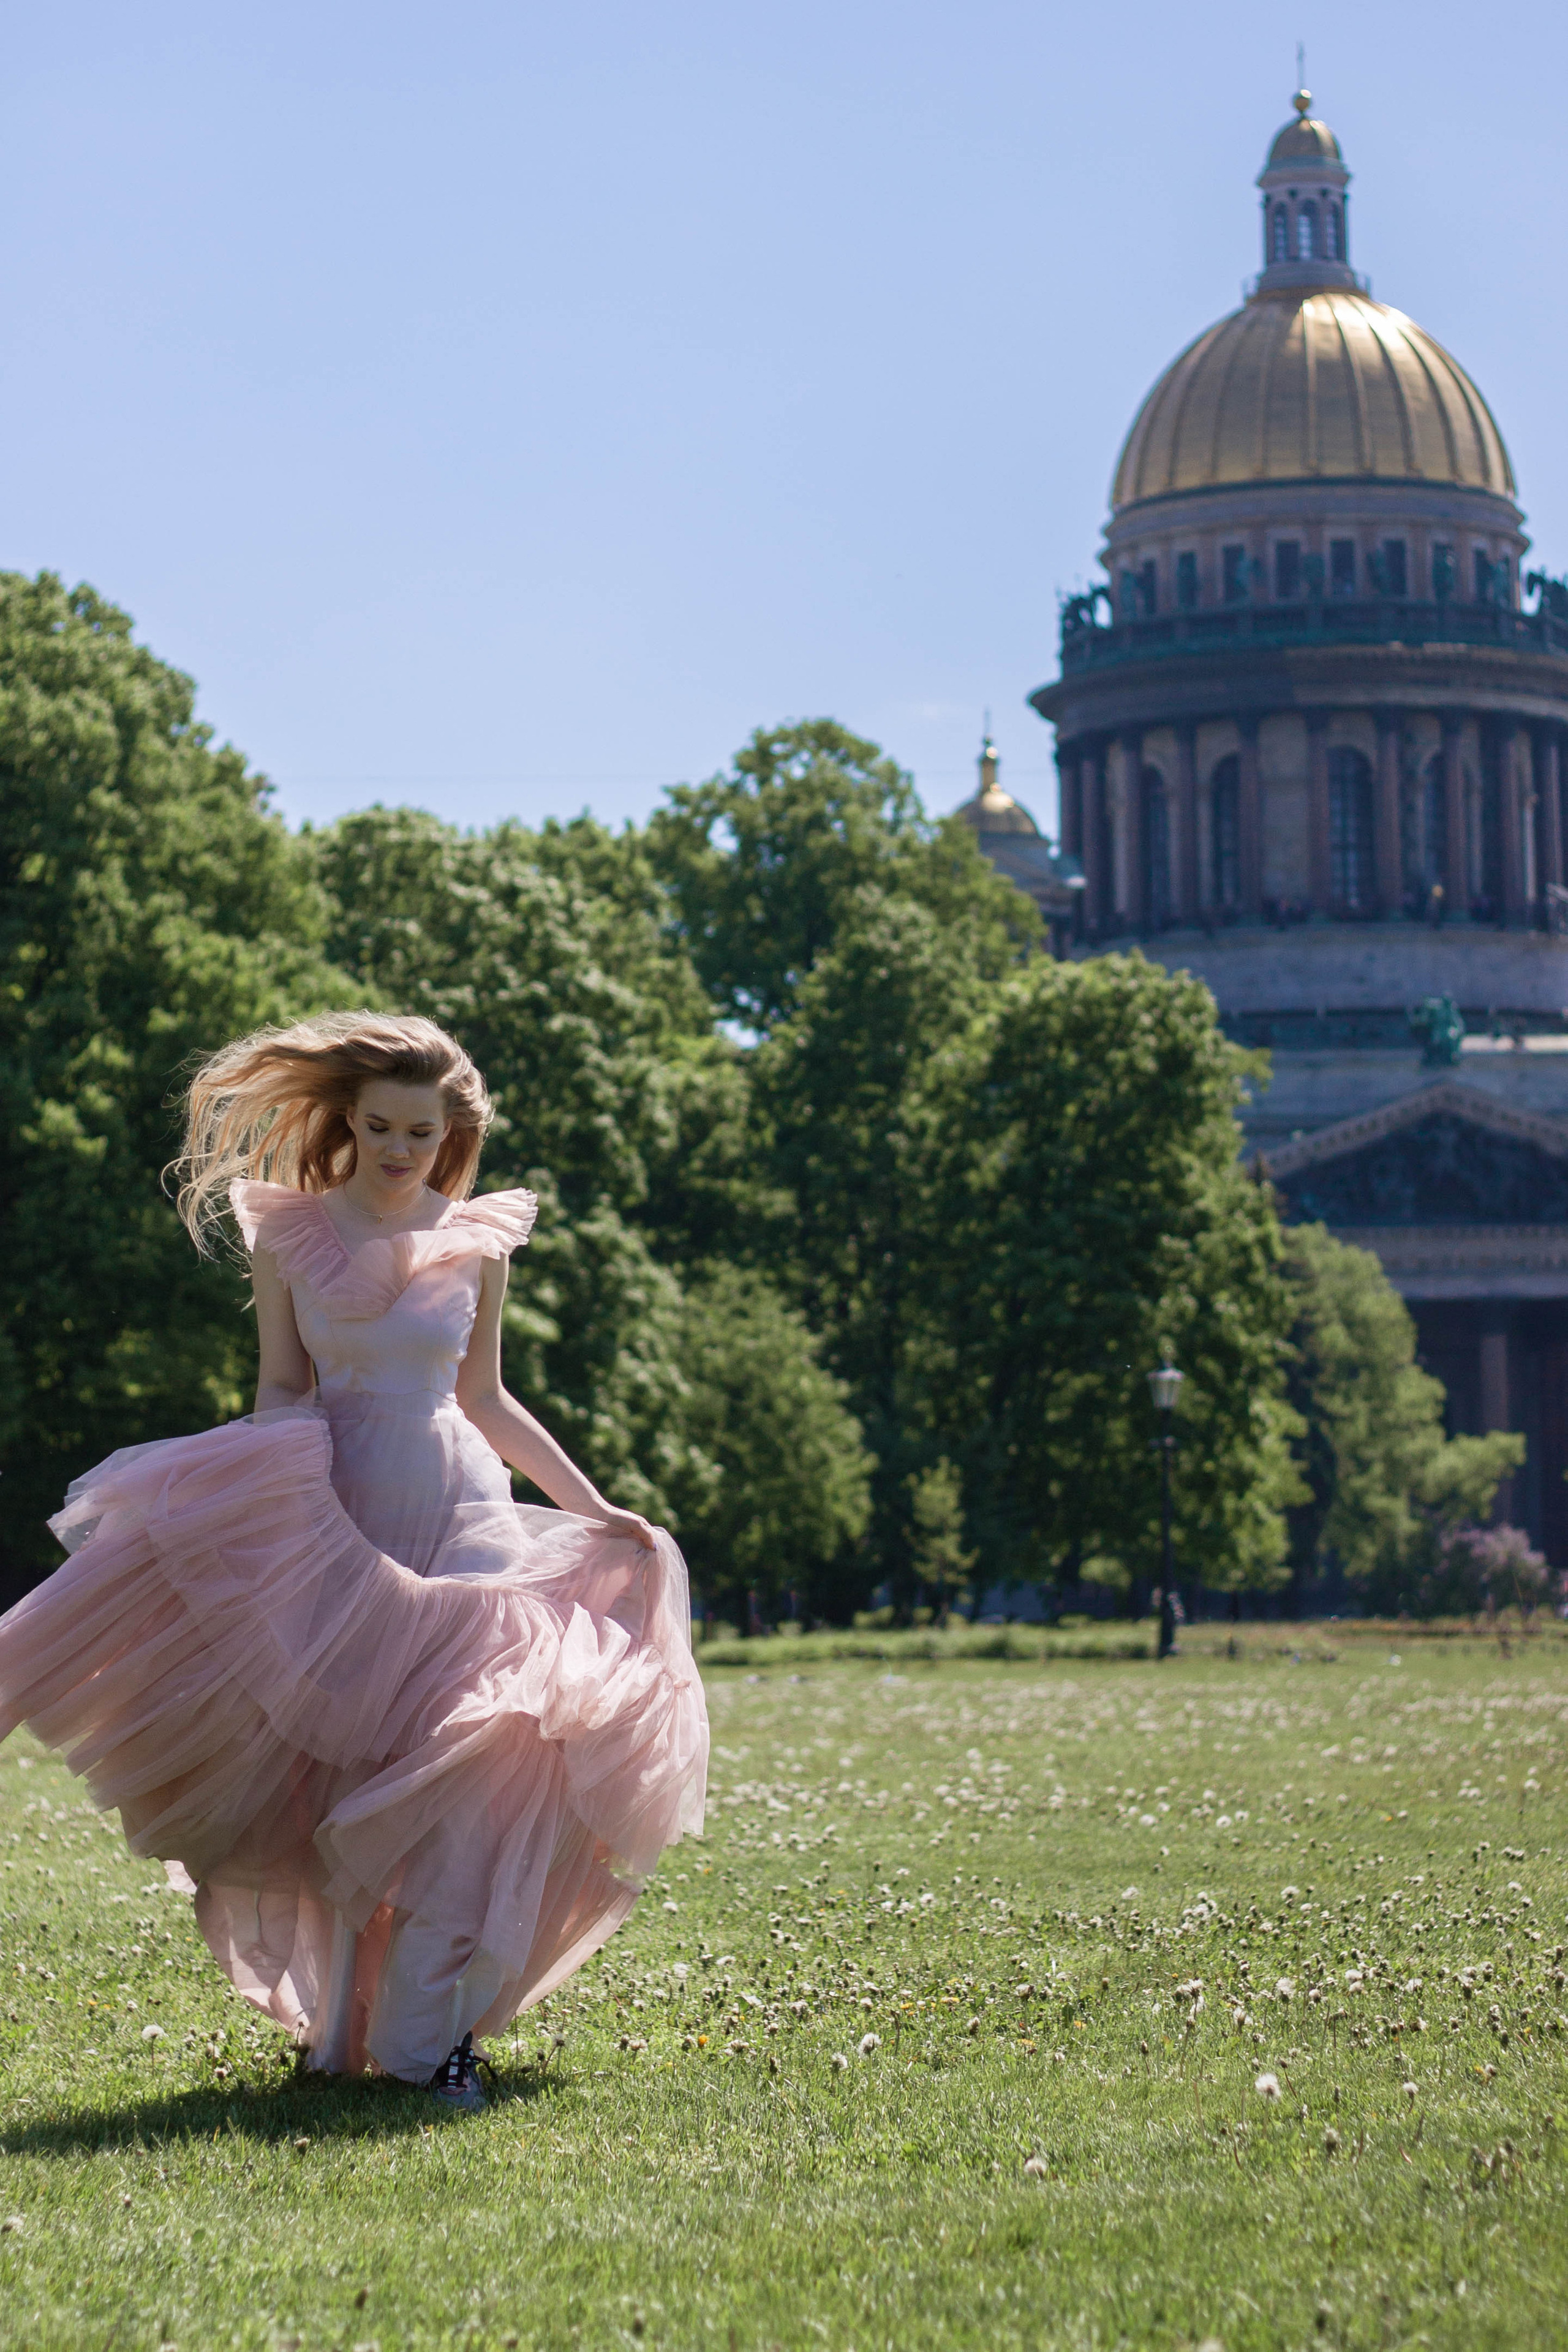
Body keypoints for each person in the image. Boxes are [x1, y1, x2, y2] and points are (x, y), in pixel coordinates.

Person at [0, 1012, 707, 2112]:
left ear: (449, 1134)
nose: (398, 1150)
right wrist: (272, 1494)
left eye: (420, 1133)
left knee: (483, 1752)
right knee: (337, 1777)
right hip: (335, 1506)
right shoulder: (288, 1230)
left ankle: (434, 2037)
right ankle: (347, 2033)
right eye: (380, 1127)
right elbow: (283, 1385)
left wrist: (595, 1506)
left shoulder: (480, 1238)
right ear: (350, 1121)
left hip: (464, 1510)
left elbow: (487, 1397)